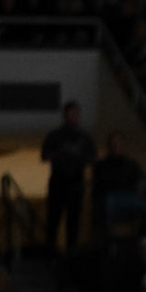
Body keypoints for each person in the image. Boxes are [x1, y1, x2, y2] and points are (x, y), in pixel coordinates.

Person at [41, 102, 96, 253]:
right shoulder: (54, 136)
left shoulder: (84, 137)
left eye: (75, 114)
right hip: (58, 183)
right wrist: (61, 153)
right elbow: (45, 156)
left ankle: (71, 255)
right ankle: (50, 253)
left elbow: (92, 158)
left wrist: (77, 157)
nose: (74, 117)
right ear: (65, 115)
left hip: (75, 184)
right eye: (71, 114)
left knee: (73, 223)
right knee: (53, 220)